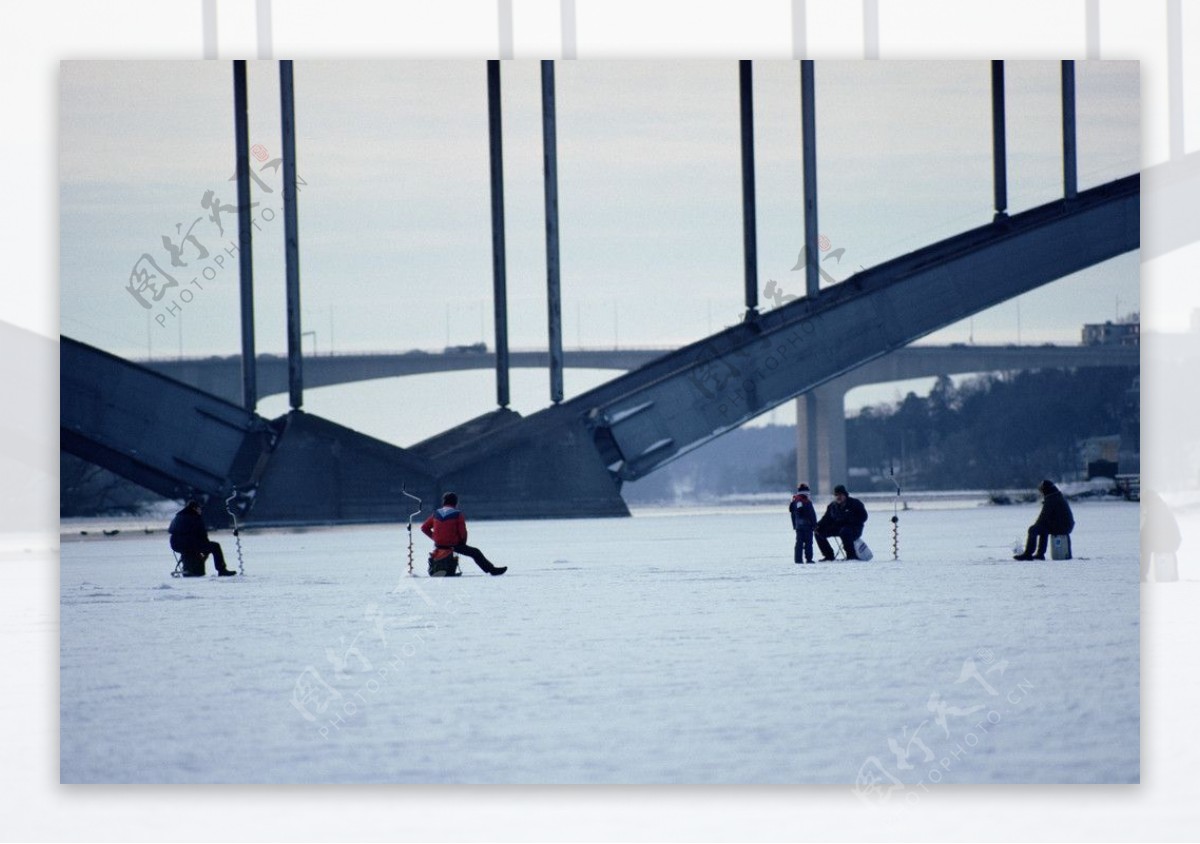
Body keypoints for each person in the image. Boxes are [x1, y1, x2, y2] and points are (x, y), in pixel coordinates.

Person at [421, 492, 507, 576]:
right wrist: (462, 543)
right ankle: (492, 570)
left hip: (439, 545)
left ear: (444, 502)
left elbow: (424, 528)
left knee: (472, 552)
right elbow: (463, 533)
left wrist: (435, 537)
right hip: (453, 545)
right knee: (475, 552)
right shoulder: (457, 514)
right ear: (455, 502)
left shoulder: (436, 513)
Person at [168, 499, 236, 576]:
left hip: (176, 544)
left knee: (191, 554)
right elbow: (202, 534)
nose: (201, 511)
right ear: (194, 508)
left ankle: (189, 569)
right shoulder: (194, 517)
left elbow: (171, 530)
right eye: (200, 508)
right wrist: (205, 550)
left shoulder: (178, 516)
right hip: (189, 544)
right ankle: (222, 570)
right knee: (215, 546)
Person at [1013, 479, 1075, 560]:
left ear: (1045, 489)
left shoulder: (1051, 499)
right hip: (1066, 525)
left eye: (1041, 490)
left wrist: (1035, 526)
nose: (1041, 493)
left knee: (1033, 529)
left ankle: (1028, 554)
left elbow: (1043, 516)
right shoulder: (1057, 496)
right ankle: (1040, 554)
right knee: (1044, 529)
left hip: (1062, 526)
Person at [815, 484, 869, 561]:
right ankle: (828, 555)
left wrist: (850, 521)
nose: (838, 497)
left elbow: (864, 517)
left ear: (845, 495)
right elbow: (826, 519)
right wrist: (817, 525)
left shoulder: (855, 503)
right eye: (836, 495)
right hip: (838, 528)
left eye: (840, 494)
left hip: (854, 529)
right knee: (818, 532)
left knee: (845, 531)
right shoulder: (832, 506)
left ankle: (851, 556)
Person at [789, 483, 817, 564]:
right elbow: (812, 514)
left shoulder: (795, 501)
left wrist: (794, 525)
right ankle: (809, 559)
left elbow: (793, 514)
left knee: (799, 543)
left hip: (798, 527)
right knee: (808, 543)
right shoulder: (807, 502)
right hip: (807, 526)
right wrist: (814, 525)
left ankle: (798, 560)